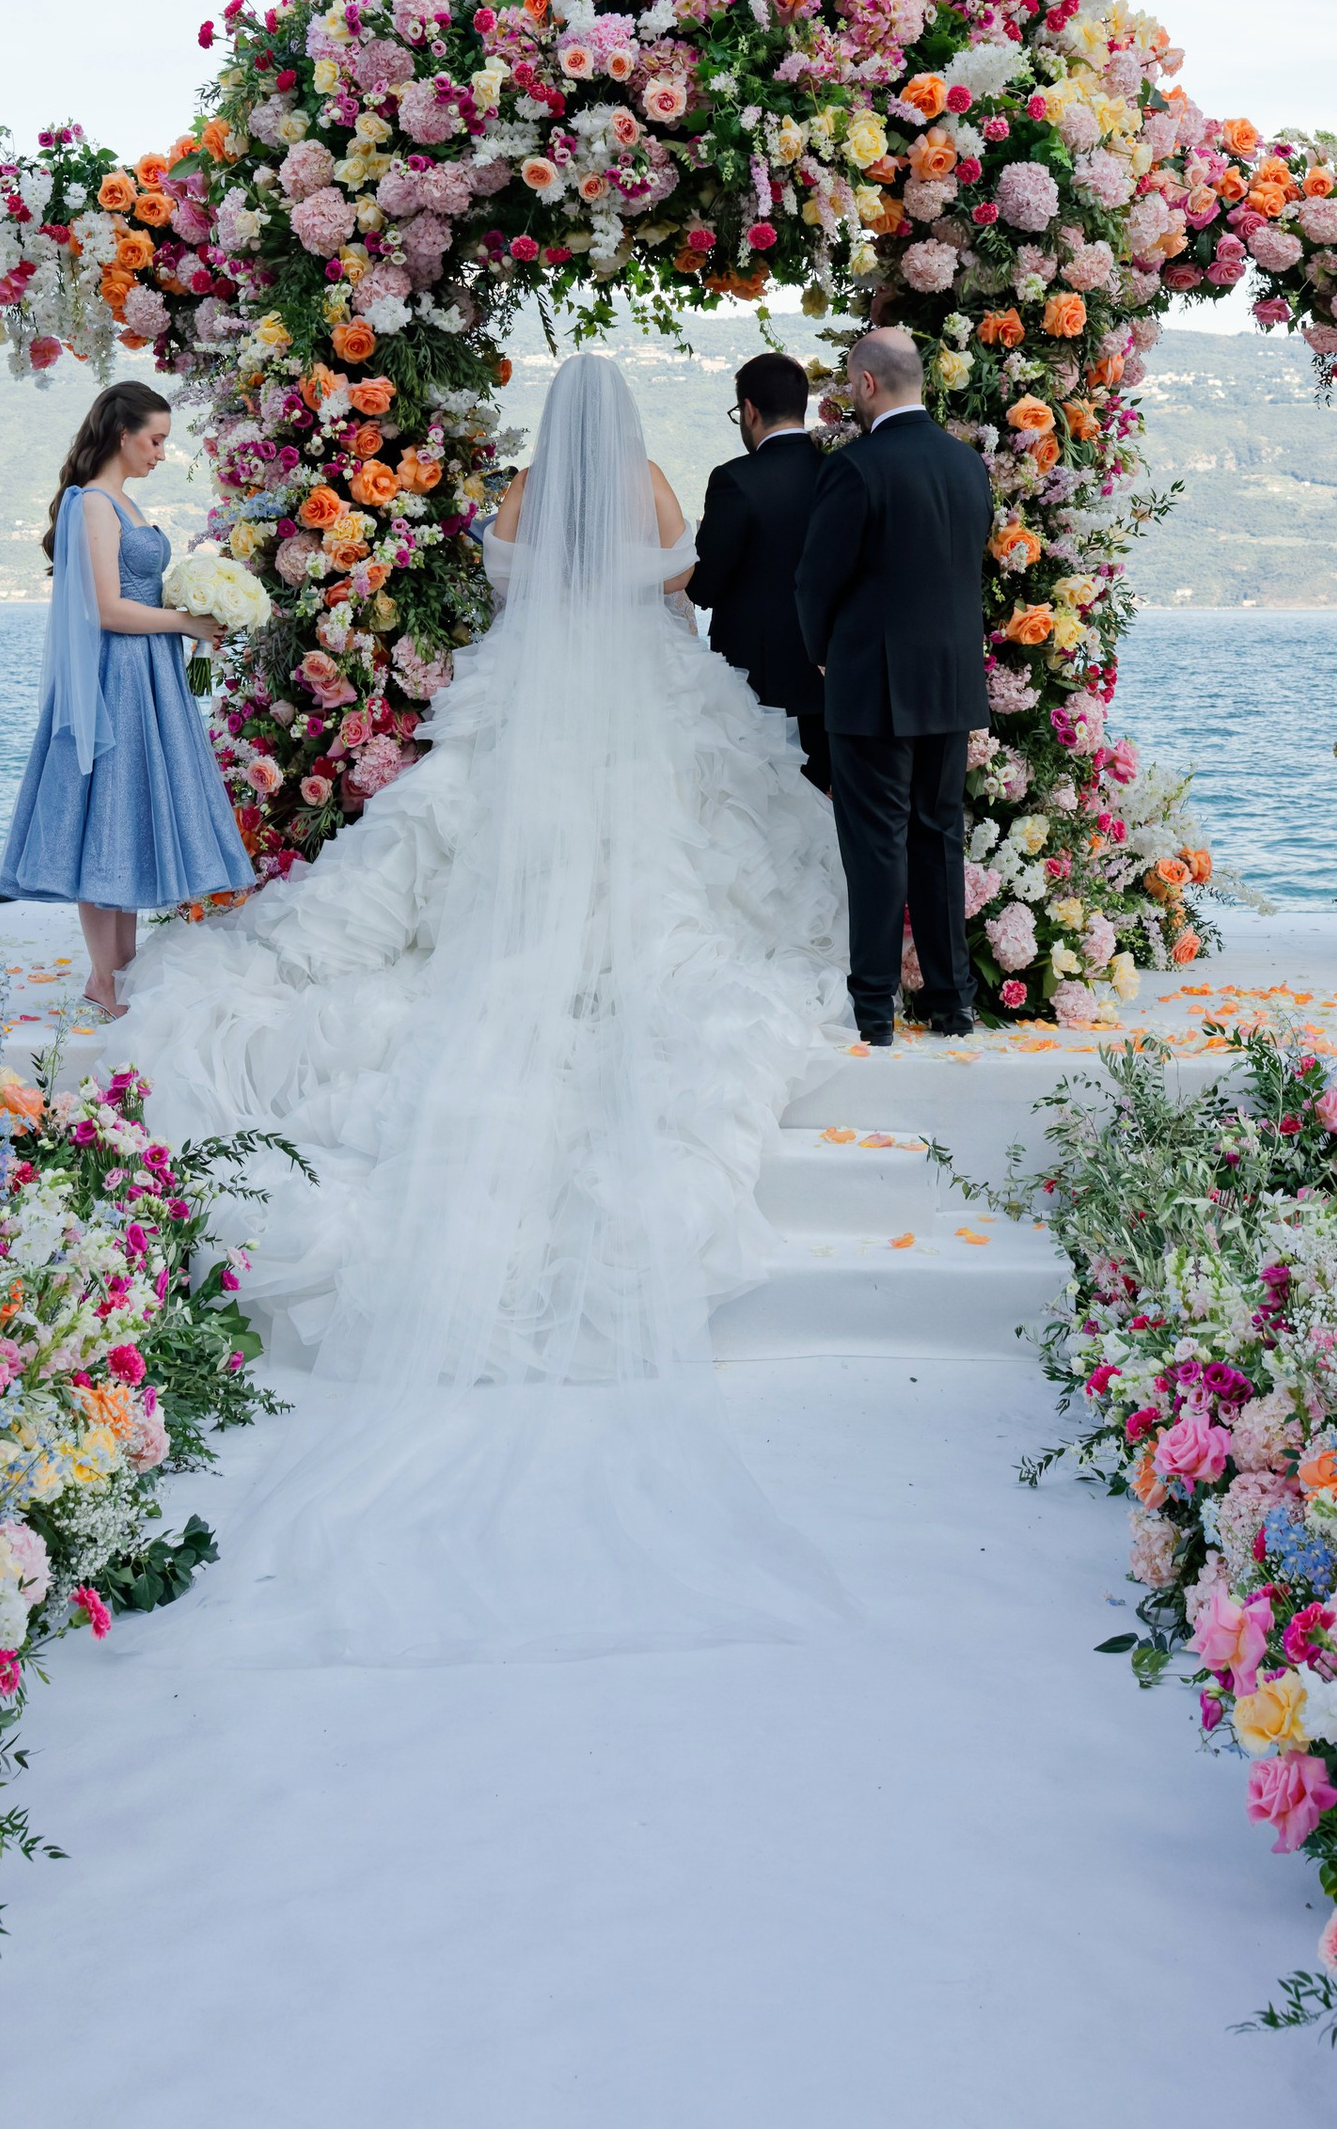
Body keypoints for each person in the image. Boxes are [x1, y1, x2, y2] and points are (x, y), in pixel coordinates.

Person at [115, 352, 848, 1664]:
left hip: (532, 706)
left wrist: (568, 586)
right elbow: (679, 581)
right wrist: (634, 583)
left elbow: (510, 588)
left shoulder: (514, 497)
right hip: (646, 700)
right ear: (620, 426)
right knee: (712, 865)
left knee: (456, 860)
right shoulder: (658, 479)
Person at [0, 378, 252, 1015]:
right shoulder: (92, 506)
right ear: (122, 434)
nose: (161, 453)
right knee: (102, 813)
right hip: (115, 674)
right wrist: (185, 623)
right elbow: (108, 610)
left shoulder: (128, 506)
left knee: (127, 811)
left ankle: (121, 972)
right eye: (156, 440)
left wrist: (199, 607)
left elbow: (139, 597)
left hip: (152, 673)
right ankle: (104, 978)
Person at [793, 324, 993, 1048]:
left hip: (872, 681)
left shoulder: (857, 467)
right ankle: (952, 1004)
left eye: (850, 381)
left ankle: (875, 1009)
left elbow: (816, 580)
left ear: (868, 383)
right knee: (939, 841)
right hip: (949, 680)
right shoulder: (969, 466)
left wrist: (822, 655)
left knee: (876, 845)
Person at [692, 349, 829, 790]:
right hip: (833, 679)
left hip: (756, 685)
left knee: (768, 812)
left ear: (748, 411)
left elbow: (704, 588)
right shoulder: (838, 471)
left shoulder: (735, 480)